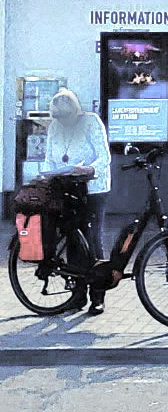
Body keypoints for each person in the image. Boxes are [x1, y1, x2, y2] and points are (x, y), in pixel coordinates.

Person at [37, 89, 112, 315]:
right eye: (58, 117)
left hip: (93, 189)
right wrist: (48, 174)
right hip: (67, 189)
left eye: (66, 117)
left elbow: (104, 156)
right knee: (72, 240)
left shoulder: (90, 122)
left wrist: (88, 169)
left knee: (92, 241)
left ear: (75, 111)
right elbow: (49, 157)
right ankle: (77, 295)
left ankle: (97, 297)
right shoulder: (56, 127)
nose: (62, 121)